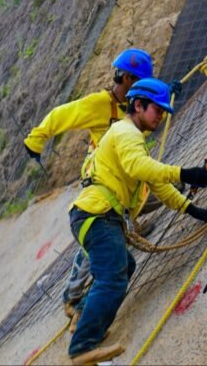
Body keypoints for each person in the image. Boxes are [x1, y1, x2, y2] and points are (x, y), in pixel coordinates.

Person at [66, 78, 207, 364]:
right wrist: (186, 173)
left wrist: (192, 210)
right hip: (97, 215)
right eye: (157, 110)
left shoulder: (129, 138)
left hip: (96, 216)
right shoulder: (126, 132)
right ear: (138, 105)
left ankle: (83, 317)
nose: (161, 117)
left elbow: (156, 183)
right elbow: (139, 167)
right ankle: (82, 347)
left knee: (125, 266)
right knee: (113, 278)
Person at [23, 48, 154, 323]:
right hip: (101, 184)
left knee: (145, 200)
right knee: (97, 241)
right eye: (141, 83)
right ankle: (72, 297)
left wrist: (166, 92)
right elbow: (63, 114)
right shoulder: (100, 105)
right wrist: (36, 140)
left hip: (125, 180)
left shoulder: (131, 105)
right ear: (128, 79)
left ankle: (133, 227)